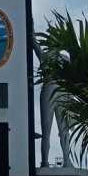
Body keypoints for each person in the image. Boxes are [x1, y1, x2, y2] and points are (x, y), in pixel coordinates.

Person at [33, 36, 72, 168]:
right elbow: (34, 43)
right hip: (59, 91)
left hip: (55, 91)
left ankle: (51, 162)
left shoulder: (52, 57)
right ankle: (52, 161)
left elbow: (34, 43)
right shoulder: (61, 58)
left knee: (53, 131)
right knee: (59, 131)